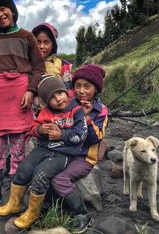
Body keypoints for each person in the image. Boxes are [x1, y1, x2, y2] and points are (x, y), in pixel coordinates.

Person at [0, 0, 45, 212]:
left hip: (20, 96)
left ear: (12, 10)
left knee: (18, 150)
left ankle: (15, 197)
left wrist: (32, 91)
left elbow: (38, 68)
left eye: (2, 9)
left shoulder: (26, 36)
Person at [0, 75, 88, 229]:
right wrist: (40, 129)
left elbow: (82, 135)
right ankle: (14, 203)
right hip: (43, 148)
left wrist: (62, 135)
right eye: (52, 98)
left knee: (40, 174)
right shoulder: (45, 111)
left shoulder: (77, 111)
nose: (58, 99)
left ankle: (33, 212)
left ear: (65, 92)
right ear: (46, 101)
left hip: (64, 153)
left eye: (59, 93)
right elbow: (33, 129)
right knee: (23, 168)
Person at [51, 64, 109, 233]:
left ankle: (81, 213)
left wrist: (86, 118)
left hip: (84, 156)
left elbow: (95, 138)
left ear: (96, 89)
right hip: (65, 150)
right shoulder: (69, 104)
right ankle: (50, 205)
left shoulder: (102, 111)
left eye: (87, 86)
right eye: (78, 86)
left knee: (59, 179)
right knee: (44, 171)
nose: (81, 91)